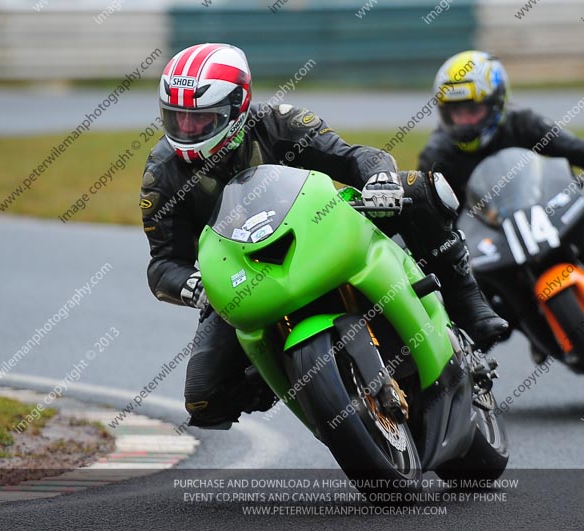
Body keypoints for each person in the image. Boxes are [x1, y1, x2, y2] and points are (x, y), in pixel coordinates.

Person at [139, 43, 509, 430]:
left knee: (420, 189)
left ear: (237, 106)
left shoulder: (279, 124)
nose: (188, 130)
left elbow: (353, 156)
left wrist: (378, 179)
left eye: (201, 120)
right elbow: (163, 263)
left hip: (317, 226)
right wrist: (193, 285)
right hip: (246, 273)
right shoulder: (162, 174)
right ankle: (289, 378)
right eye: (177, 118)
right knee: (202, 398)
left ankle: (469, 301)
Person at [418, 51, 584, 296]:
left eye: (472, 110)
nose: (464, 122)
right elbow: (428, 219)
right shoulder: (436, 156)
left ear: (497, 102)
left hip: (544, 213)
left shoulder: (523, 123)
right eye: (455, 113)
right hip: (487, 243)